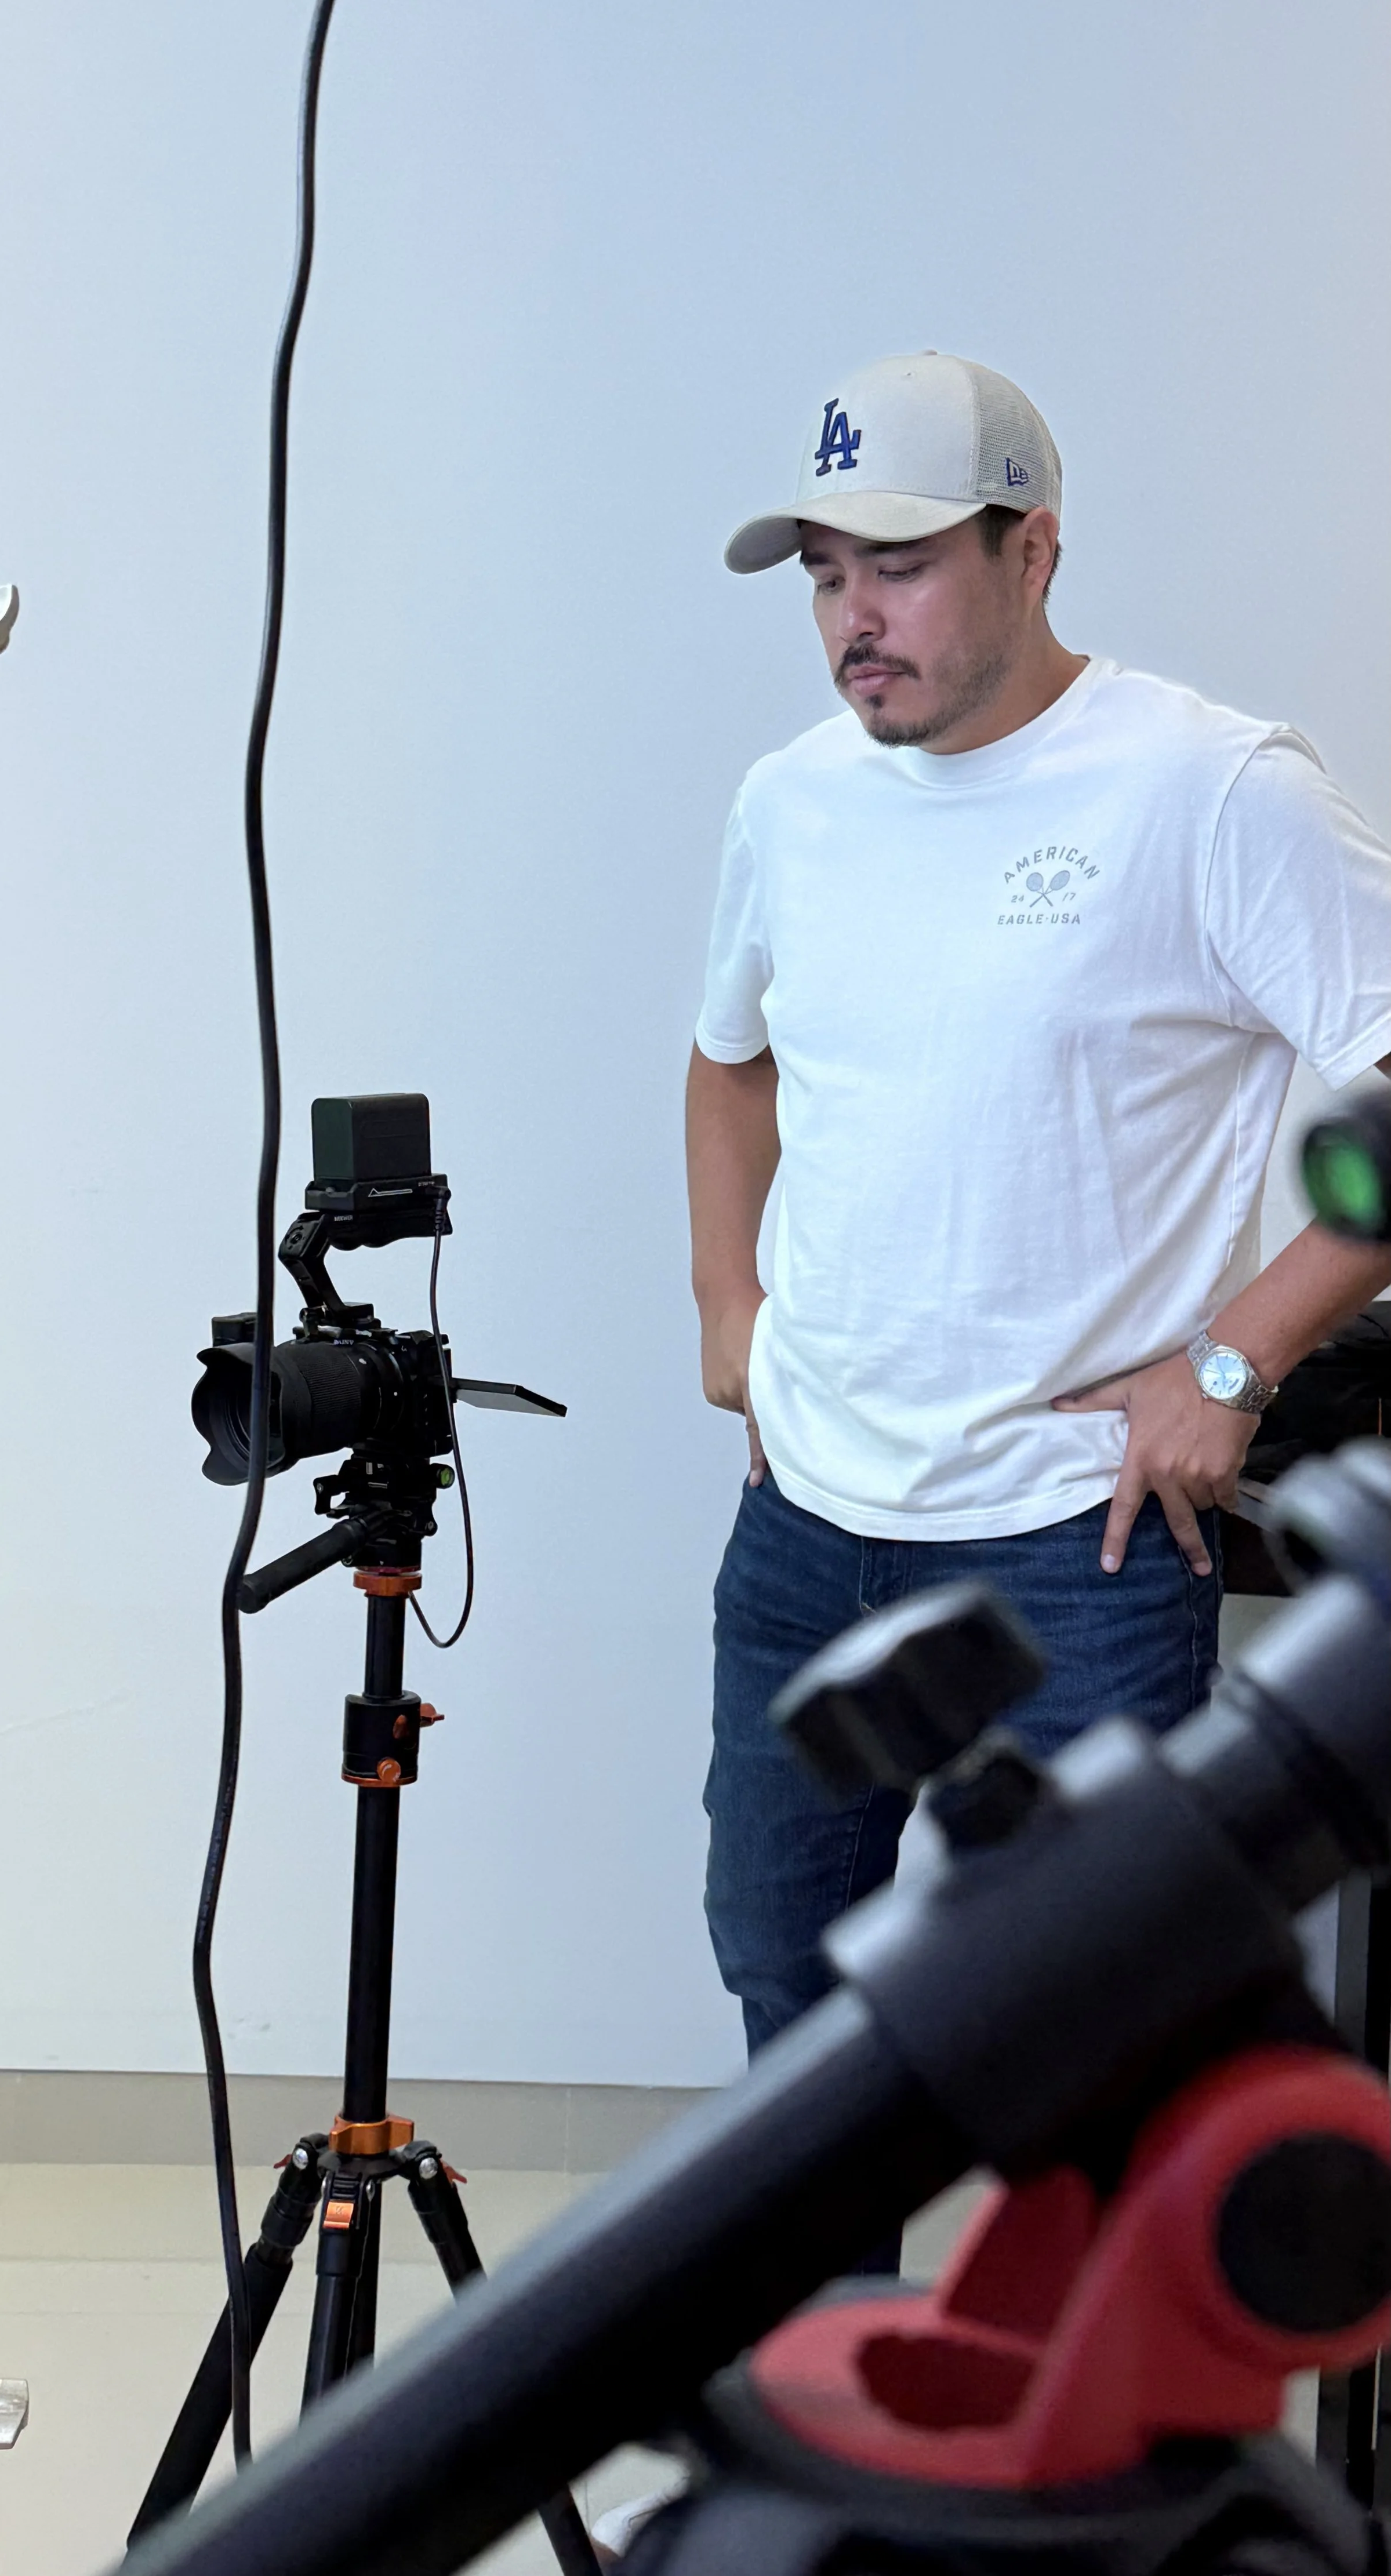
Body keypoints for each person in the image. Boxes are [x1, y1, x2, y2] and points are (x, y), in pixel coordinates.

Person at [688, 350, 1391, 2065]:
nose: (856, 615)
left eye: (903, 562)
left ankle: (1064, 2347)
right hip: (806, 1524)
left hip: (1066, 1545)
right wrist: (733, 1321)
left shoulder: (1206, 789)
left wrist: (1232, 1359)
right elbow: (728, 1064)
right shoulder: (792, 800)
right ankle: (831, 2345)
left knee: (1087, 2037)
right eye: (826, 573)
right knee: (790, 2007)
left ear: (1034, 551)